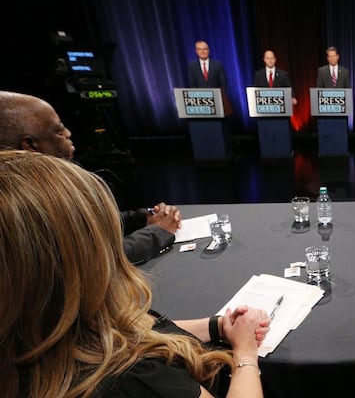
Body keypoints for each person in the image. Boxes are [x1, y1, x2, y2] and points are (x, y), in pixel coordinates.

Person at [0, 150, 269, 397]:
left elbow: (119, 329)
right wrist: (245, 354)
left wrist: (216, 326)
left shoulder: (36, 339)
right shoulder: (133, 378)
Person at [0, 90, 180, 265]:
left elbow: (83, 225)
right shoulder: (20, 203)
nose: (69, 134)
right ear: (30, 145)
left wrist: (140, 217)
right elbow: (94, 262)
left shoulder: (32, 188)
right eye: (59, 131)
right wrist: (158, 231)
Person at [187, 40, 233, 115]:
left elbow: (223, 83)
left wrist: (218, 96)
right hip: (200, 101)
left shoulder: (217, 65)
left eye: (205, 49)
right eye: (200, 49)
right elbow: (192, 85)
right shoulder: (192, 66)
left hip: (217, 100)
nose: (203, 51)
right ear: (196, 51)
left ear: (208, 50)